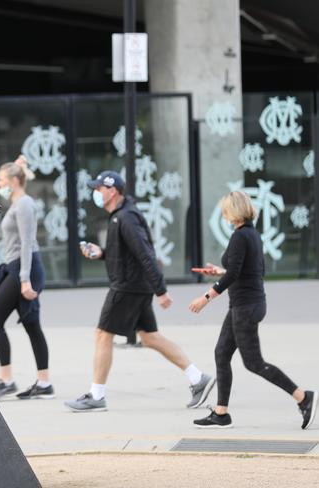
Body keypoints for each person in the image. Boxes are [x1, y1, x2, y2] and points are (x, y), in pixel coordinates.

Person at [65, 170, 214, 412]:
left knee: (102, 334)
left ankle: (96, 395)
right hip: (136, 285)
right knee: (150, 337)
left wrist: (161, 290)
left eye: (99, 188)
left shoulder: (126, 218)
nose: (96, 193)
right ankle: (198, 378)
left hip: (128, 287)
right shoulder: (120, 216)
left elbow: (145, 254)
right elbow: (127, 254)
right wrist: (101, 253)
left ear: (112, 191)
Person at [189, 191, 317, 429]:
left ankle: (303, 397)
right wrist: (219, 272)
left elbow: (237, 273)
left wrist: (205, 297)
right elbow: (249, 270)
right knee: (221, 353)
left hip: (245, 307)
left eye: (225, 209)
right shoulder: (251, 235)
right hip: (246, 304)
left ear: (233, 211)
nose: (223, 214)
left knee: (254, 363)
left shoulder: (240, 236)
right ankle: (221, 413)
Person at [0, 156, 53, 401]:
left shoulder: (24, 204)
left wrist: (24, 280)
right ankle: (44, 384)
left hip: (26, 269)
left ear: (14, 181)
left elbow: (27, 243)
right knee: (31, 324)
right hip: (15, 268)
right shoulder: (17, 203)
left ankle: (7, 381)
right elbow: (14, 247)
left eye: (2, 180)